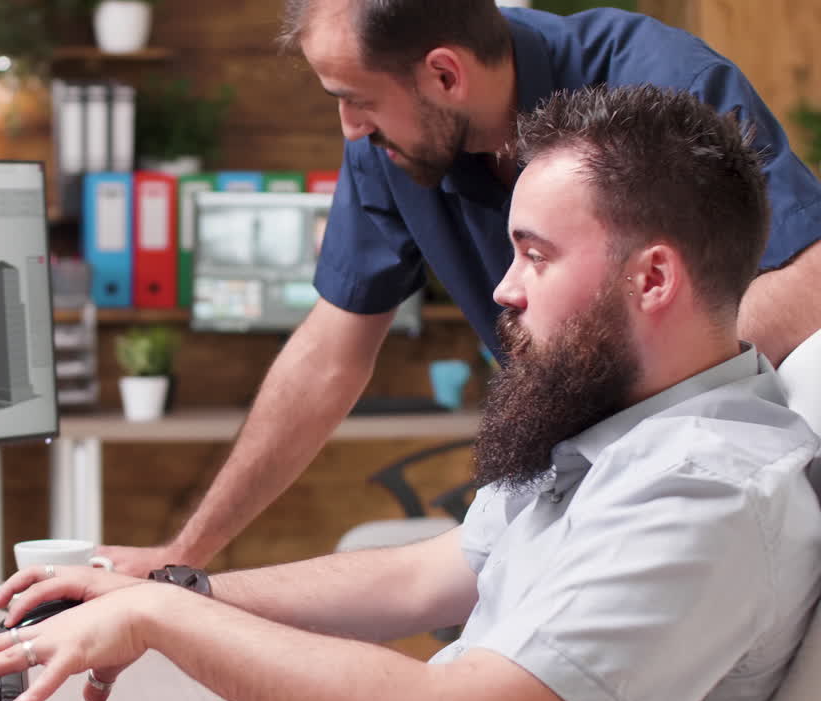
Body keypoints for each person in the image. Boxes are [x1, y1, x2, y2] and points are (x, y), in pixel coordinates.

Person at [0, 84, 821, 701]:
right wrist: (179, 589)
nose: (503, 289)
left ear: (652, 277)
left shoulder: (704, 493)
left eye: (536, 255)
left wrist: (161, 617)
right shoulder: (621, 428)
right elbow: (416, 575)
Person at [101, 0, 821, 580]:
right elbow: (328, 354)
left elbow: (811, 278)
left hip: (683, 493)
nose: (350, 127)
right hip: (560, 489)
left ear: (445, 76)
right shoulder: (390, 146)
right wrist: (183, 563)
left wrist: (616, 403)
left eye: (356, 99)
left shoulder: (657, 83)